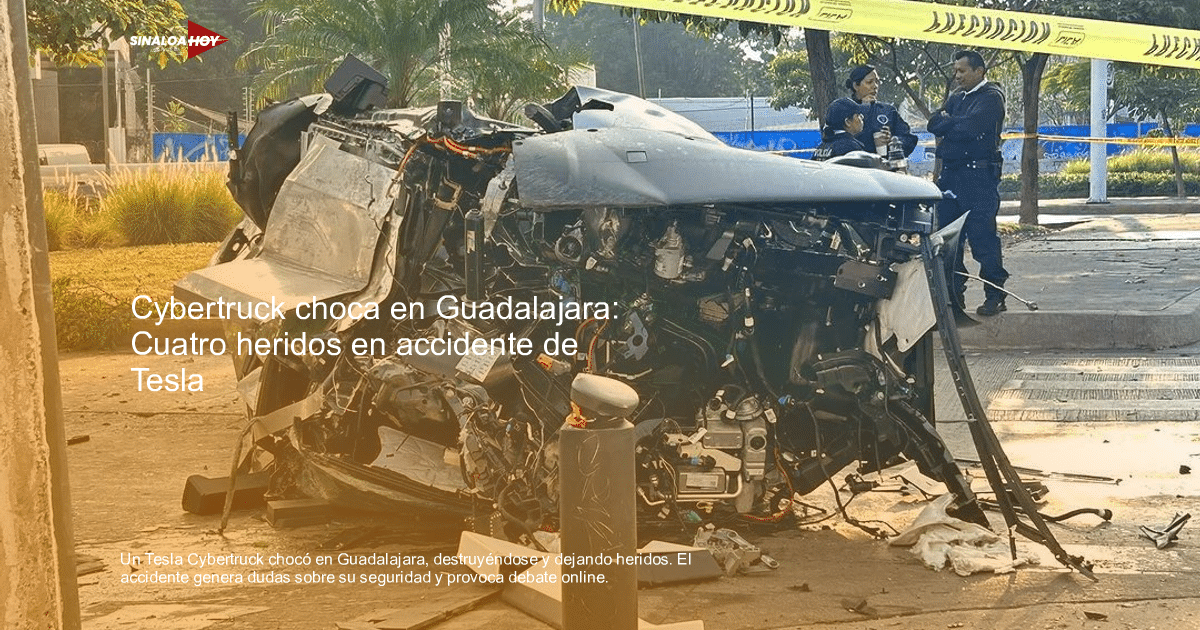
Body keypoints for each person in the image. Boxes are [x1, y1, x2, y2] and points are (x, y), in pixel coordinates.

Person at [928, 50, 1010, 317]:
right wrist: (950, 122)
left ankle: (995, 295)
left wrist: (949, 123)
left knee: (982, 238)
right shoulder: (957, 97)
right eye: (956, 71)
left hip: (978, 180)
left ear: (979, 71)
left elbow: (970, 129)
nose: (957, 76)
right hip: (951, 177)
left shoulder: (991, 97)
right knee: (948, 240)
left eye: (962, 71)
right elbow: (933, 123)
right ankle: (954, 297)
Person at [846, 65, 918, 158]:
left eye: (877, 82)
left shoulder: (887, 110)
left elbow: (909, 139)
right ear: (856, 85)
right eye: (869, 82)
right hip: (854, 165)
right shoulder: (844, 110)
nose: (875, 86)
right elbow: (839, 141)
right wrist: (864, 108)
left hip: (885, 165)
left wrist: (892, 140)